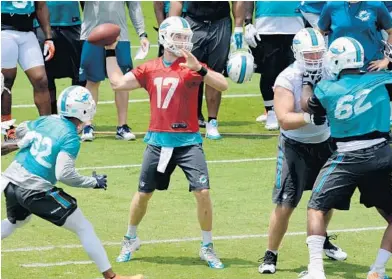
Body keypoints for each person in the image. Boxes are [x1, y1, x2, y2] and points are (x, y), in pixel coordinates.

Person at [105, 16, 228, 268]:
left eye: (185, 37)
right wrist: (109, 50)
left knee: (202, 192)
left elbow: (223, 84)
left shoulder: (193, 66)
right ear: (164, 37)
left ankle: (207, 246)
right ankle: (130, 238)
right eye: (178, 37)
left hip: (189, 142)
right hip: (158, 141)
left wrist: (201, 69)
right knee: (143, 195)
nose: (183, 42)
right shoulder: (149, 68)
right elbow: (117, 84)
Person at [1, 85, 144, 279]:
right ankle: (111, 277)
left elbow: (20, 131)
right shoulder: (70, 137)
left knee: (17, 220)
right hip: (34, 189)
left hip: (11, 182)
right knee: (83, 227)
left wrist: (24, 133)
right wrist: (93, 182)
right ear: (83, 109)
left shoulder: (47, 119)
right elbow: (64, 174)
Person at [300, 37, 392, 279]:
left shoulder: (326, 88)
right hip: (382, 153)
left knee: (316, 208)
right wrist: (389, 60)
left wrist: (307, 82)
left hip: (347, 156)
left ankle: (316, 270)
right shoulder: (381, 80)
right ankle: (378, 269)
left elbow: (309, 106)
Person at [258, 28, 347, 275]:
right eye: (309, 55)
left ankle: (322, 239)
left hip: (326, 143)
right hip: (294, 146)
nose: (315, 59)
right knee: (285, 204)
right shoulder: (288, 78)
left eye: (318, 54)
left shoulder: (333, 71)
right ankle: (270, 253)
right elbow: (284, 119)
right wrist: (310, 117)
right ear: (297, 53)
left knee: (325, 200)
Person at [170, 1, 244, 138]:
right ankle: (186, 120)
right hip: (193, 20)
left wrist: (239, 27)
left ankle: (212, 122)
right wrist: (171, 25)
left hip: (220, 21)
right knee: (187, 72)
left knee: (214, 73)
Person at [80, 1, 150, 141]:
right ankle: (87, 125)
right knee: (92, 81)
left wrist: (142, 33)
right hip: (92, 34)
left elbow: (134, 6)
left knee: (122, 82)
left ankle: (122, 126)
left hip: (120, 36)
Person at [244, 1, 304, 131]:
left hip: (296, 23)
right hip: (266, 24)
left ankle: (290, 111)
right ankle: (271, 112)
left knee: (295, 72)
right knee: (269, 71)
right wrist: (247, 22)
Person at [1, 1, 54, 141]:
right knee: (6, 81)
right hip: (4, 29)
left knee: (40, 80)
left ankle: (46, 127)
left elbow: (41, 6)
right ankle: (8, 129)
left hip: (27, 31)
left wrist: (48, 37)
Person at [34, 1, 86, 114]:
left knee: (79, 73)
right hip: (42, 24)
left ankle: (75, 116)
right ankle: (51, 117)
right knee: (45, 76)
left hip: (72, 22)